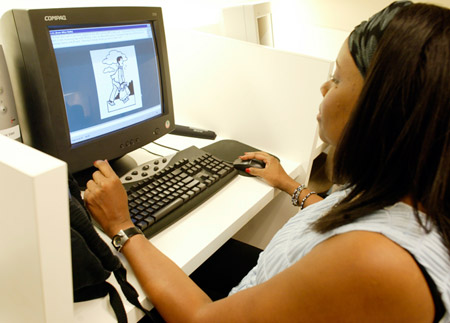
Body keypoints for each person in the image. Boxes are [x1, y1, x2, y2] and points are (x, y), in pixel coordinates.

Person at [84, 2, 450, 322]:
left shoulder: (375, 263)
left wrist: (123, 226)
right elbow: (360, 219)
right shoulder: (409, 188)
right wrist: (291, 187)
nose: (324, 89)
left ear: (380, 110)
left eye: (336, 79)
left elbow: (202, 319)